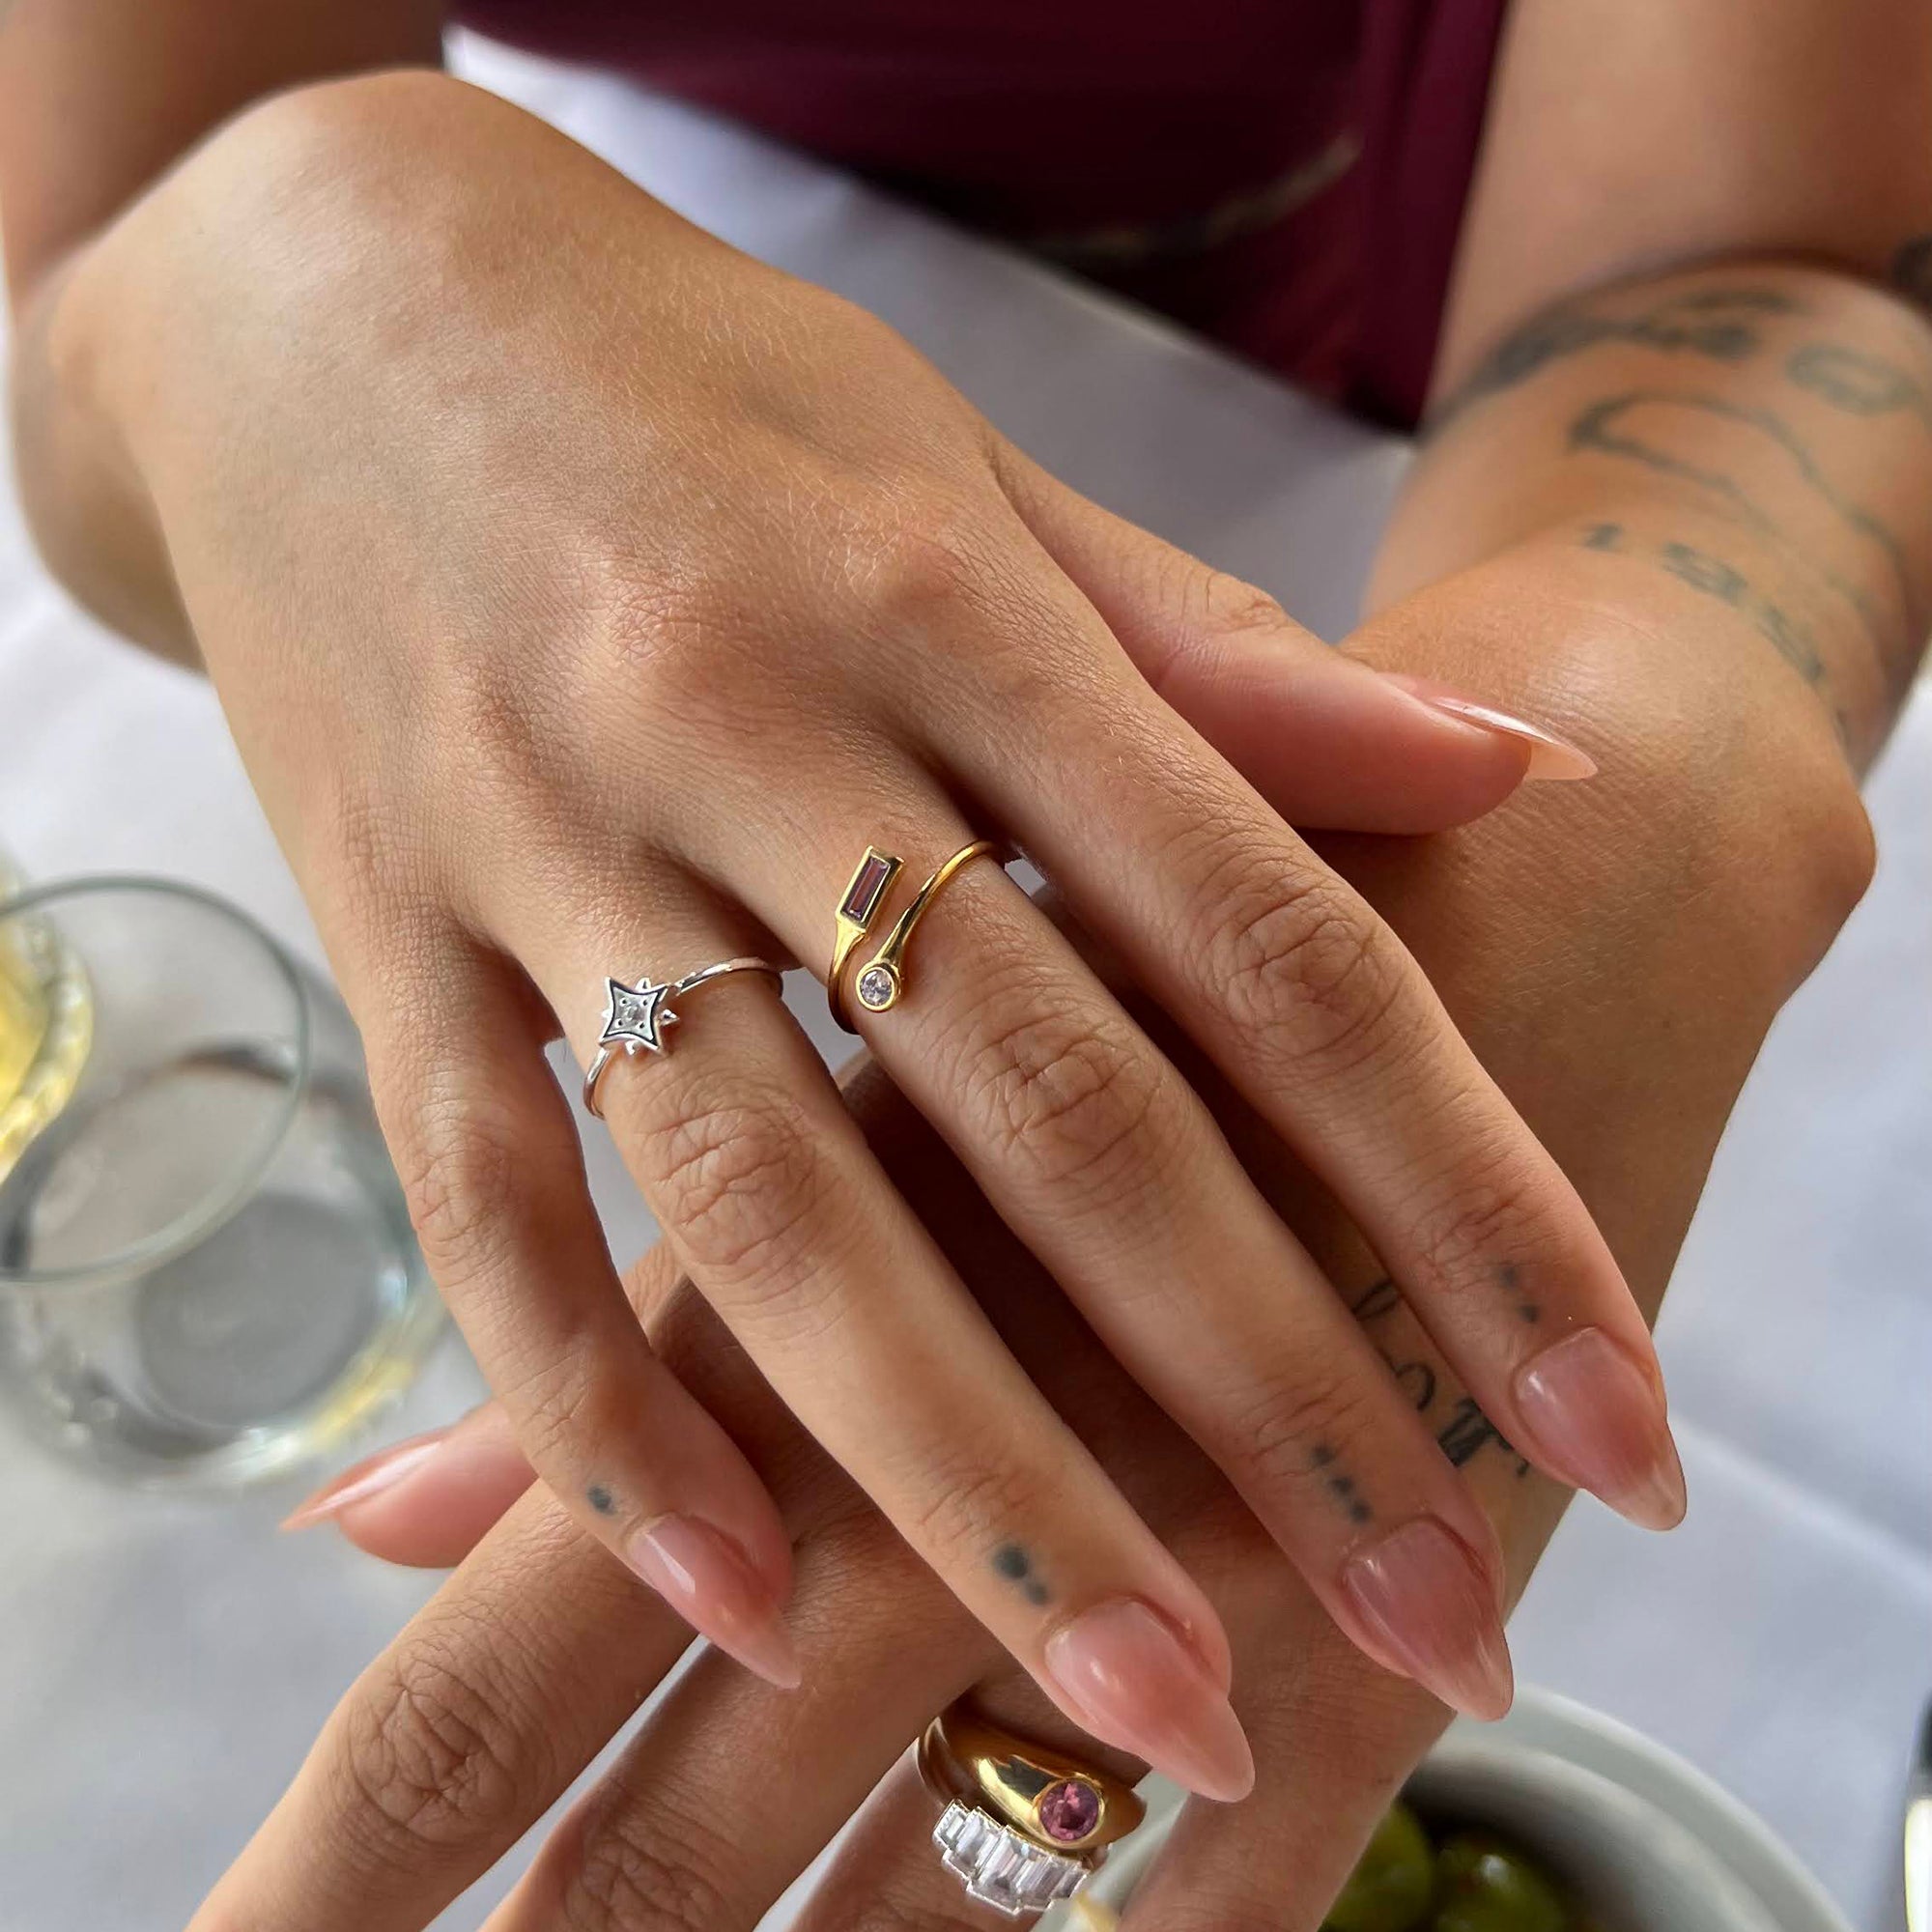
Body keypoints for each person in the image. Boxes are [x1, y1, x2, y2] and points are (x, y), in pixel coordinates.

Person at [1, 0, 1925, 1924]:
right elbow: (79, 310)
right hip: (590, 430)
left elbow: (1779, 272)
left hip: (1384, 475)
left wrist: (1641, 751)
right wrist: (249, 270)